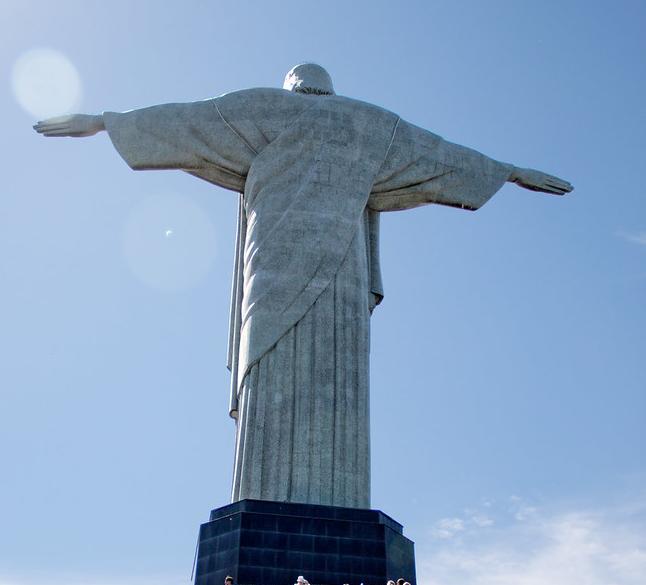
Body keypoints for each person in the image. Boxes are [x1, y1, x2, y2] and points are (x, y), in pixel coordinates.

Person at [34, 65, 572, 511]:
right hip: (336, 272)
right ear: (330, 89)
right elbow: (440, 155)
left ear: (290, 86)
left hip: (272, 267)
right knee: (322, 375)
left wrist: (105, 121)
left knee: (278, 368)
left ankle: (272, 498)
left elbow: (188, 122)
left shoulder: (260, 109)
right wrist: (507, 171)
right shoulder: (368, 123)